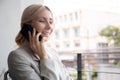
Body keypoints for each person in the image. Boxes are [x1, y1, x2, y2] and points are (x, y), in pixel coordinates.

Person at [7, 3, 72, 80]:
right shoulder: (17, 57)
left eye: (51, 22)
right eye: (42, 21)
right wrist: (44, 57)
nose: (49, 27)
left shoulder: (53, 52)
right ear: (27, 26)